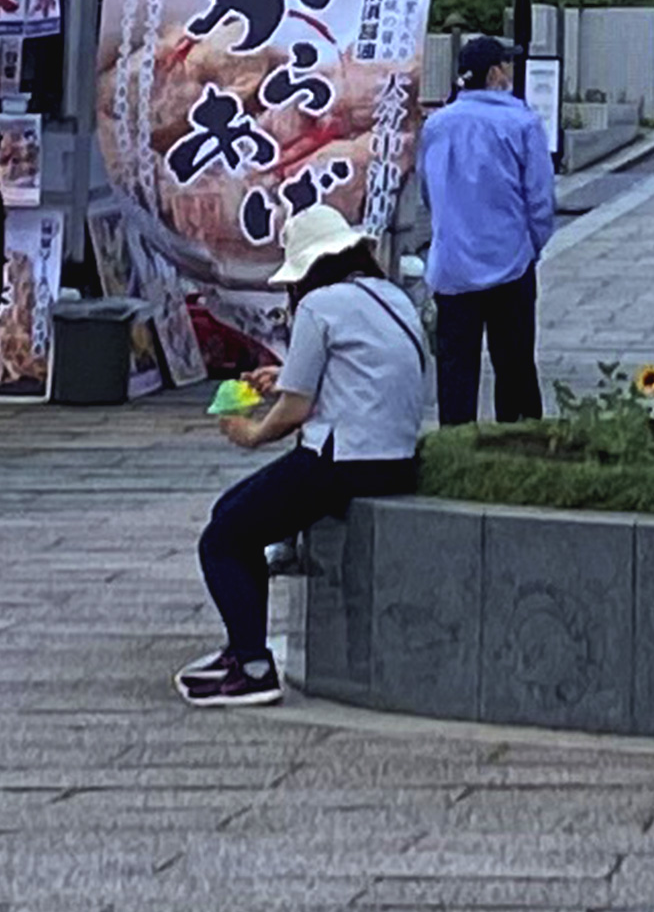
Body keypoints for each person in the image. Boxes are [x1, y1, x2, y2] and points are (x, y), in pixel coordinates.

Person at [183, 207, 425, 707]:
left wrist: (250, 433)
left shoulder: (319, 305)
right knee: (238, 520)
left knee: (222, 535)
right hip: (396, 456)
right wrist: (283, 379)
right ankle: (243, 647)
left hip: (340, 463)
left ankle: (251, 665)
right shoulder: (392, 296)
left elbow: (295, 409)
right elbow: (349, 376)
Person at [418, 35, 555, 427]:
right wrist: (532, 245)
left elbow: (430, 192)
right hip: (509, 259)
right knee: (514, 364)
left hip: (452, 265)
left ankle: (455, 445)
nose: (510, 72)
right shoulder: (521, 122)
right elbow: (541, 199)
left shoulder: (437, 125)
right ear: (496, 73)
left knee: (455, 368)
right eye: (506, 65)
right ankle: (519, 443)